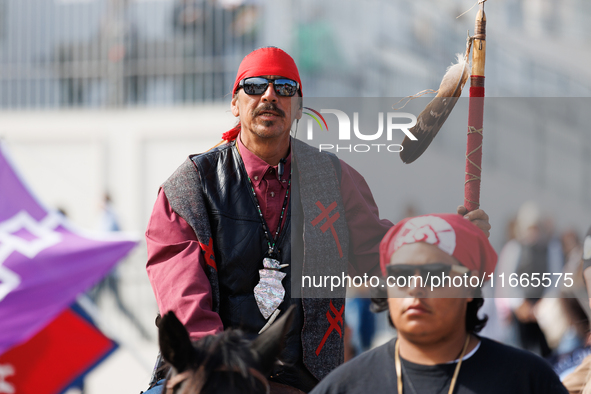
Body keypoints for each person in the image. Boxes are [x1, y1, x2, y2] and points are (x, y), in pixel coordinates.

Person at [144, 47, 491, 393]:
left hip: (311, 384)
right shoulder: (188, 188)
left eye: (284, 88)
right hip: (210, 375)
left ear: (298, 108)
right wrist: (228, 375)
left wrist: (453, 243)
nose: (269, 95)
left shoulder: (334, 179)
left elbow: (385, 258)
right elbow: (185, 305)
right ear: (235, 103)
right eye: (254, 86)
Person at [310, 214, 567, 394]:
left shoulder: (528, 380)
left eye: (434, 273)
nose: (415, 287)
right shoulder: (344, 386)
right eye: (400, 274)